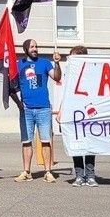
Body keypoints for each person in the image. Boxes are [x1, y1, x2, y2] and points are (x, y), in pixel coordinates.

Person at [11, 39, 61, 182]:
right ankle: (26, 172)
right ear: (25, 49)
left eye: (36, 46)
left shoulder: (45, 63)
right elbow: (10, 87)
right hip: (26, 110)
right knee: (26, 141)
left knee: (45, 140)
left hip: (43, 108)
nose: (35, 49)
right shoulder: (18, 65)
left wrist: (57, 63)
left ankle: (47, 172)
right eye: (32, 47)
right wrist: (19, 104)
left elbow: (57, 77)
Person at [63, 45, 97, 187]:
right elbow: (64, 93)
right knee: (76, 144)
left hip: (89, 112)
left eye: (73, 57)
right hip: (74, 113)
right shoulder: (69, 74)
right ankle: (79, 175)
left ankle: (90, 176)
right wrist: (61, 112)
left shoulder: (92, 73)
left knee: (90, 145)